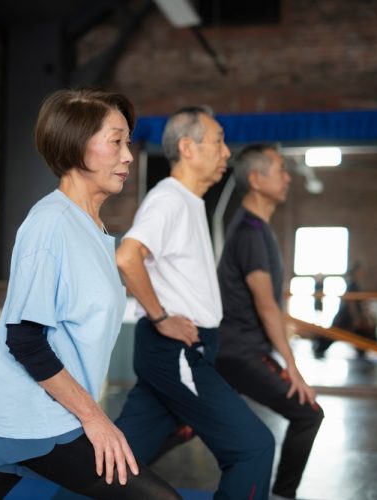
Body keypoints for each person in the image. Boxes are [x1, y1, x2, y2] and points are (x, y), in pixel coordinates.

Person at [0, 89, 180, 500]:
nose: (128, 155)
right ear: (76, 145)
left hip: (50, 411)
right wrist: (95, 419)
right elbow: (25, 339)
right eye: (116, 141)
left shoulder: (91, 228)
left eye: (128, 142)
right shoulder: (50, 225)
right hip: (40, 417)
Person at [114, 107, 275, 500]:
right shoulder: (168, 199)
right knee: (253, 448)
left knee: (119, 460)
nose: (226, 153)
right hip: (177, 350)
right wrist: (161, 317)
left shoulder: (189, 201)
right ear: (187, 147)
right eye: (218, 141)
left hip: (184, 350)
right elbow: (127, 256)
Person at [216, 144, 324, 500]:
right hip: (240, 354)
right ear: (256, 179)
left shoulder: (258, 229)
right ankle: (282, 495)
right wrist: (292, 367)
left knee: (182, 426)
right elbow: (266, 307)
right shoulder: (249, 232)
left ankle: (121, 471)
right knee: (308, 414)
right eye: (280, 169)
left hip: (237, 352)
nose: (288, 177)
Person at [313, 261, 376, 359]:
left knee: (360, 334)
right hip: (346, 317)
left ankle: (361, 349)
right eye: (361, 271)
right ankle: (319, 344)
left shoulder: (355, 285)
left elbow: (359, 304)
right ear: (356, 272)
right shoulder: (352, 285)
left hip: (348, 317)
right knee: (333, 334)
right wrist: (356, 318)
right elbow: (351, 304)